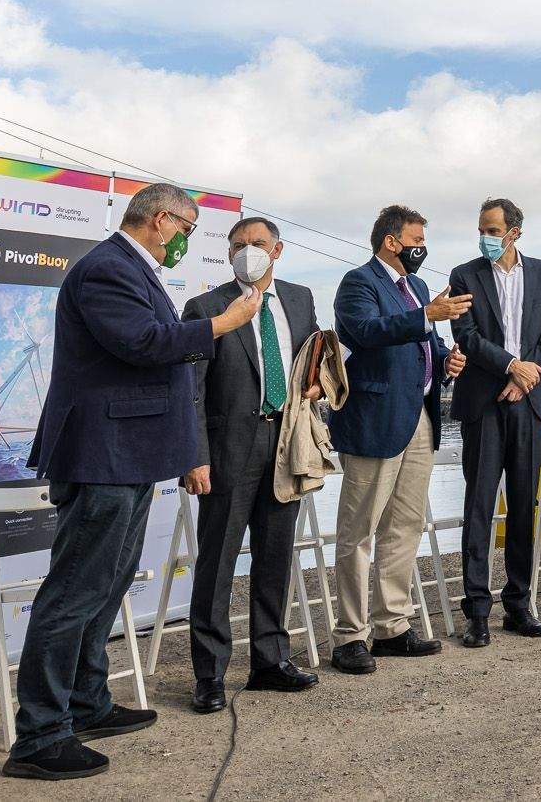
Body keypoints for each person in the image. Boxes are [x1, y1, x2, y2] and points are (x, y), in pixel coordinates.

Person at [5, 184, 258, 781]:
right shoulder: (107, 269)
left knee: (107, 581)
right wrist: (222, 323)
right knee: (74, 590)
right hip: (102, 455)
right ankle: (40, 735)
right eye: (188, 229)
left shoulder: (132, 269)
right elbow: (143, 344)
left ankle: (86, 704)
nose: (187, 241)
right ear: (162, 220)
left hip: (129, 454)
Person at [181, 217, 322, 712]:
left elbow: (314, 359)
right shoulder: (206, 307)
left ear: (277, 250)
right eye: (238, 245)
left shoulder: (302, 299)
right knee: (216, 562)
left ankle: (270, 660)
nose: (248, 252)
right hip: (227, 451)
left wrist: (317, 384)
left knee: (276, 556)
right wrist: (194, 455)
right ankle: (209, 674)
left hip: (285, 443)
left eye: (257, 244)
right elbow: (190, 391)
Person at [327, 204, 470, 675]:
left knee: (404, 526)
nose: (421, 249)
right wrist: (426, 316)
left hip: (420, 419)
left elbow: (423, 341)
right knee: (358, 530)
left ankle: (391, 626)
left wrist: (446, 359)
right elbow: (365, 332)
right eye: (416, 239)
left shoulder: (420, 288)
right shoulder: (359, 283)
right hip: (374, 419)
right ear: (392, 241)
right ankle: (350, 635)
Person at [445, 196, 541, 646]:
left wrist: (527, 374)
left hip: (527, 403)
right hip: (484, 402)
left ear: (515, 231)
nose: (486, 237)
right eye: (482, 229)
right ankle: (476, 611)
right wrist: (511, 365)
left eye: (493, 230)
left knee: (523, 507)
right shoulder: (464, 275)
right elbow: (466, 335)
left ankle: (518, 604)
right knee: (479, 507)